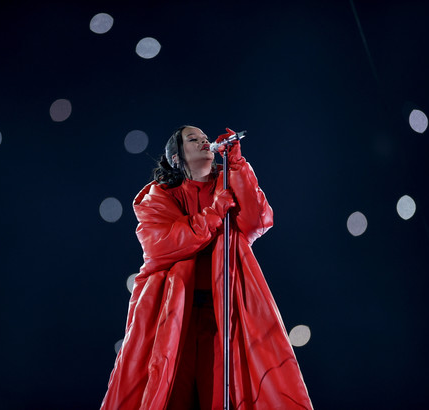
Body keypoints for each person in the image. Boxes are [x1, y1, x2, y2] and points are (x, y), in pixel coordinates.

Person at [101, 126, 312, 409]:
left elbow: (258, 221)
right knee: (169, 392)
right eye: (193, 139)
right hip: (173, 316)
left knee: (223, 393)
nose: (203, 140)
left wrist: (236, 164)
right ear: (176, 157)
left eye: (204, 137)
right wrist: (214, 213)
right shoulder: (156, 198)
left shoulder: (228, 183)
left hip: (223, 313)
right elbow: (164, 245)